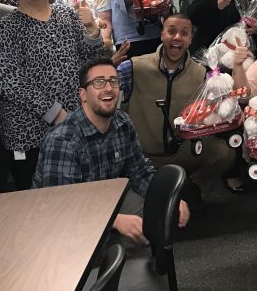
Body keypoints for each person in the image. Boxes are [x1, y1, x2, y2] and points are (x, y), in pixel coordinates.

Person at [32, 56, 189, 252]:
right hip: (64, 221)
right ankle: (104, 266)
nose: (108, 88)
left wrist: (168, 198)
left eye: (113, 81)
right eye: (98, 82)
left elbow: (140, 172)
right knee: (116, 239)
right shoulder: (63, 141)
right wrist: (114, 220)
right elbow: (63, 207)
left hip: (107, 201)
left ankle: (123, 262)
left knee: (158, 215)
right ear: (83, 95)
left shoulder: (122, 122)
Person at [0, 0, 104, 190]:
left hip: (71, 124)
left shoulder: (66, 14)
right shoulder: (7, 28)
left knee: (76, 191)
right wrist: (54, 112)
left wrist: (92, 29)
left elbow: (89, 58)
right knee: (38, 202)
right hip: (28, 133)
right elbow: (8, 80)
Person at [126, 13, 234, 207]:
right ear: (161, 35)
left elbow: (210, 113)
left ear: (191, 39)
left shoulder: (201, 73)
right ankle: (167, 193)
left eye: (184, 33)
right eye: (171, 31)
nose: (177, 37)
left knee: (223, 153)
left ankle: (192, 186)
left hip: (182, 152)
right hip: (143, 157)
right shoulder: (135, 67)